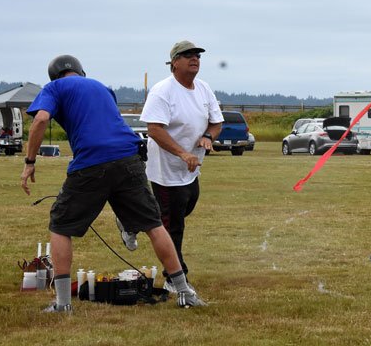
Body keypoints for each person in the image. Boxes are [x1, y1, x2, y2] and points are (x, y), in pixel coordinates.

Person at [20, 54, 206, 313]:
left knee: (60, 226)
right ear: (81, 71)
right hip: (129, 158)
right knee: (154, 224)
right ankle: (185, 292)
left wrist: (30, 161)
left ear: (54, 75)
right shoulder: (102, 87)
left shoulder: (54, 88)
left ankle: (63, 304)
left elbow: (40, 119)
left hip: (91, 162)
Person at [131, 40, 222, 292]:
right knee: (173, 225)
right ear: (174, 63)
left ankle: (132, 221)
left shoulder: (203, 89)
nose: (195, 59)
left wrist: (208, 137)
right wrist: (182, 153)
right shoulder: (163, 91)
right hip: (166, 171)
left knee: (182, 210)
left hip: (191, 170)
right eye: (187, 55)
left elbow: (216, 123)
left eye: (197, 56)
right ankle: (174, 278)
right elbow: (154, 129)